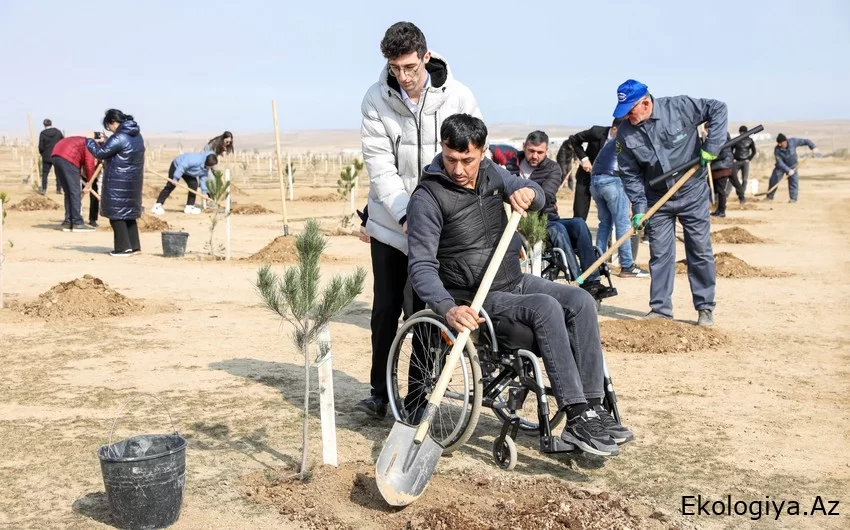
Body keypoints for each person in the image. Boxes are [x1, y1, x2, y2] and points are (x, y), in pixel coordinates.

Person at [407, 114, 632, 456]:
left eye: (467, 160)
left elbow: (538, 195)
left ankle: (593, 408)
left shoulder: (493, 174)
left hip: (514, 280)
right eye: (451, 159)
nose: (459, 169)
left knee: (581, 300)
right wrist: (447, 308)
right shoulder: (429, 197)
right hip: (474, 297)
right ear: (443, 149)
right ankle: (575, 415)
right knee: (546, 308)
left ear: (483, 151)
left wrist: (528, 193)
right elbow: (421, 266)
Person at [356, 21, 481, 418]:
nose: (404, 76)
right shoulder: (376, 100)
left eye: (410, 67)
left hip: (443, 226)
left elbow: (475, 155)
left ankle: (418, 394)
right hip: (392, 224)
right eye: (396, 68)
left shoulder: (458, 96)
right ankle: (380, 389)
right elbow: (380, 165)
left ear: (426, 57)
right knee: (386, 307)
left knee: (429, 309)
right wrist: (407, 214)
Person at [614, 79, 727, 326]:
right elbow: (630, 174)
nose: (628, 118)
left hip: (692, 192)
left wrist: (712, 146)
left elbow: (718, 108)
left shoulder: (679, 107)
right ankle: (660, 310)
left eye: (630, 111)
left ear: (645, 103)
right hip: (657, 198)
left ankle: (705, 307)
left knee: (699, 250)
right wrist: (639, 208)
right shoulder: (625, 133)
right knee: (660, 254)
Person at [512, 130, 621, 299]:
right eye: (531, 151)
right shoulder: (512, 165)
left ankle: (592, 280)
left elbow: (547, 195)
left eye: (540, 152)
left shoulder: (552, 168)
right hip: (525, 223)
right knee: (557, 229)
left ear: (546, 151)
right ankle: (579, 280)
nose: (535, 156)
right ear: (524, 147)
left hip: (549, 217)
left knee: (578, 223)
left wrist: (523, 194)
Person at [589, 118, 649, 277]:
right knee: (623, 223)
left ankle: (598, 262)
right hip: (613, 181)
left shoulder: (614, 141)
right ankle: (627, 265)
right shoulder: (633, 140)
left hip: (595, 181)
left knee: (605, 223)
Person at [86, 109, 145, 257]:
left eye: (109, 126)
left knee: (117, 215)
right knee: (129, 214)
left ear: (112, 122)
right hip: (133, 181)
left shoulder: (119, 137)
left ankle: (123, 248)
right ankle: (134, 246)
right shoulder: (137, 136)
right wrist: (108, 141)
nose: (110, 130)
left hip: (117, 182)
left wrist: (89, 141)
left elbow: (100, 153)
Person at [50, 136, 97, 232]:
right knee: (75, 192)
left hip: (56, 156)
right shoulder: (91, 144)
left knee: (69, 191)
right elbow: (89, 164)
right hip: (68, 157)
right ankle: (77, 222)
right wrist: (89, 181)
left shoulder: (80, 141)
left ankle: (68, 221)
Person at [151, 153, 218, 215]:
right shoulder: (195, 160)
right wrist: (175, 178)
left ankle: (189, 206)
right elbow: (182, 166)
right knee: (171, 185)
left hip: (188, 172)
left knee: (194, 184)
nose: (211, 168)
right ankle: (157, 205)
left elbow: (203, 179)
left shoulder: (206, 168)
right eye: (211, 166)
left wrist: (204, 192)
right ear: (207, 163)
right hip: (177, 165)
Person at [567, 124, 610, 220]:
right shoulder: (596, 132)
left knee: (608, 218)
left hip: (609, 181)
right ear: (615, 129)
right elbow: (574, 139)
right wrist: (584, 159)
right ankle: (578, 233)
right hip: (586, 177)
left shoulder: (626, 139)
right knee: (579, 216)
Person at [766, 133, 817, 203]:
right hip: (781, 167)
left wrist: (813, 147)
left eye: (780, 143)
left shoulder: (793, 141)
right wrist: (788, 170)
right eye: (778, 143)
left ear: (785, 141)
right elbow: (779, 162)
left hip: (793, 166)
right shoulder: (777, 149)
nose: (779, 145)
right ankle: (769, 197)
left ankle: (793, 199)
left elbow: (806, 141)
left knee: (794, 182)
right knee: (774, 180)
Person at [709, 130, 734, 217]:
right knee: (717, 189)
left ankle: (722, 210)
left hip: (722, 167)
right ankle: (718, 209)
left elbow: (722, 154)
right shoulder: (720, 139)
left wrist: (710, 157)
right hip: (719, 167)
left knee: (720, 190)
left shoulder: (722, 140)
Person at [731, 125, 756, 204]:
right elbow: (731, 149)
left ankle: (742, 194)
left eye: (743, 132)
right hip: (736, 161)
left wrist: (749, 159)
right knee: (734, 178)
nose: (742, 133)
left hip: (745, 162)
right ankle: (734, 193)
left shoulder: (750, 141)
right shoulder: (736, 140)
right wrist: (733, 159)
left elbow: (754, 151)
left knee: (744, 179)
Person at [38, 119, 64, 195]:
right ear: (51, 124)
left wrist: (42, 154)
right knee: (58, 173)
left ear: (44, 125)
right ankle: (59, 189)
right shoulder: (58, 132)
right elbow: (63, 142)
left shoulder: (42, 133)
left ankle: (43, 189)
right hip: (57, 155)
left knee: (45, 174)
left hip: (46, 156)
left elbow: (41, 147)